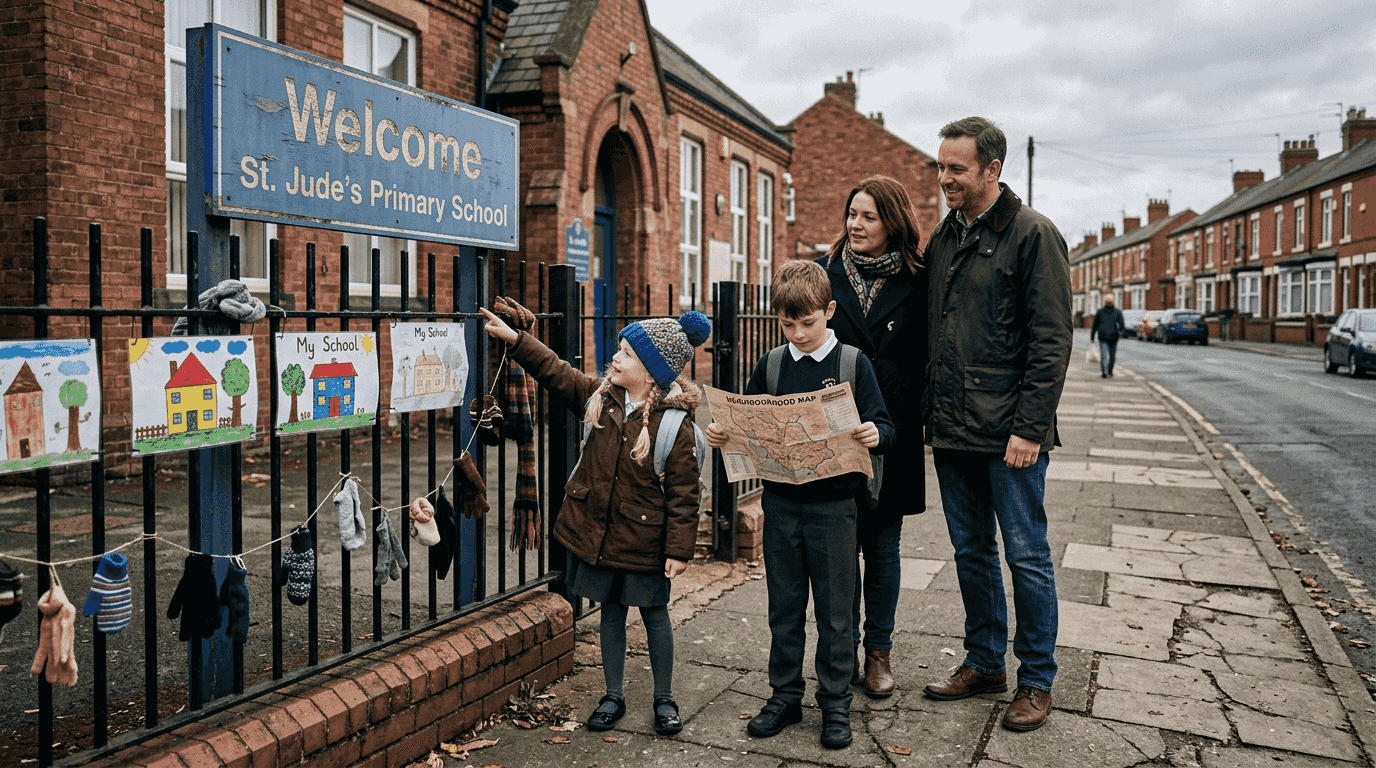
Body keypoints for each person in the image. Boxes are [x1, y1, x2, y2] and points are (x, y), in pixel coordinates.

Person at [479, 302, 710, 737]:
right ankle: (613, 695)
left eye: (627, 354)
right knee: (611, 614)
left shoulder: (673, 425)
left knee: (655, 616)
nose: (615, 358)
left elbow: (685, 496)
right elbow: (557, 372)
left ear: (651, 372)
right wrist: (517, 341)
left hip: (645, 540)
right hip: (601, 536)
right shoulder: (602, 398)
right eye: (620, 349)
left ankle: (664, 698)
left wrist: (679, 550)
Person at [706, 259, 895, 750]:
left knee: (836, 612)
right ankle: (785, 696)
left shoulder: (852, 363)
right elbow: (746, 422)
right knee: (784, 608)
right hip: (782, 505)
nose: (798, 334)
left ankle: (835, 702)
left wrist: (875, 433)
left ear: (829, 311)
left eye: (807, 323)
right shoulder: (772, 364)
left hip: (835, 509)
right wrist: (724, 434)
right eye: (788, 324)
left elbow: (886, 424)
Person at [921, 117, 1072, 732]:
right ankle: (985, 662)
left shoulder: (1034, 235)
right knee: (971, 551)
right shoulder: (944, 237)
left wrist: (1030, 428)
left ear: (992, 169)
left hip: (1011, 435)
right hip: (953, 429)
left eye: (956, 168)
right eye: (941, 166)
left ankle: (1036, 679)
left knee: (1027, 555)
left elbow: (1051, 341)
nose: (944, 178)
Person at [815, 175, 926, 699]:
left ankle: (878, 652)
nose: (855, 225)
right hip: (834, 430)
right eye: (852, 214)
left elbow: (929, 354)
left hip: (891, 430)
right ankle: (843, 652)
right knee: (840, 552)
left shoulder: (918, 280)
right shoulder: (823, 274)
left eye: (868, 217)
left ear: (892, 223)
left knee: (882, 549)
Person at [1090, 297, 1126, 377]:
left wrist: (1121, 333)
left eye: (1110, 301)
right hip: (1103, 337)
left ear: (1113, 302)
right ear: (1105, 302)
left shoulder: (1117, 312)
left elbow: (1122, 324)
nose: (1109, 303)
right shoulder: (1100, 312)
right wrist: (1092, 337)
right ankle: (1104, 372)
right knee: (1104, 355)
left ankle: (1110, 370)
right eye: (1107, 302)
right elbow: (1094, 325)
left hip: (1114, 338)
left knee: (1112, 357)